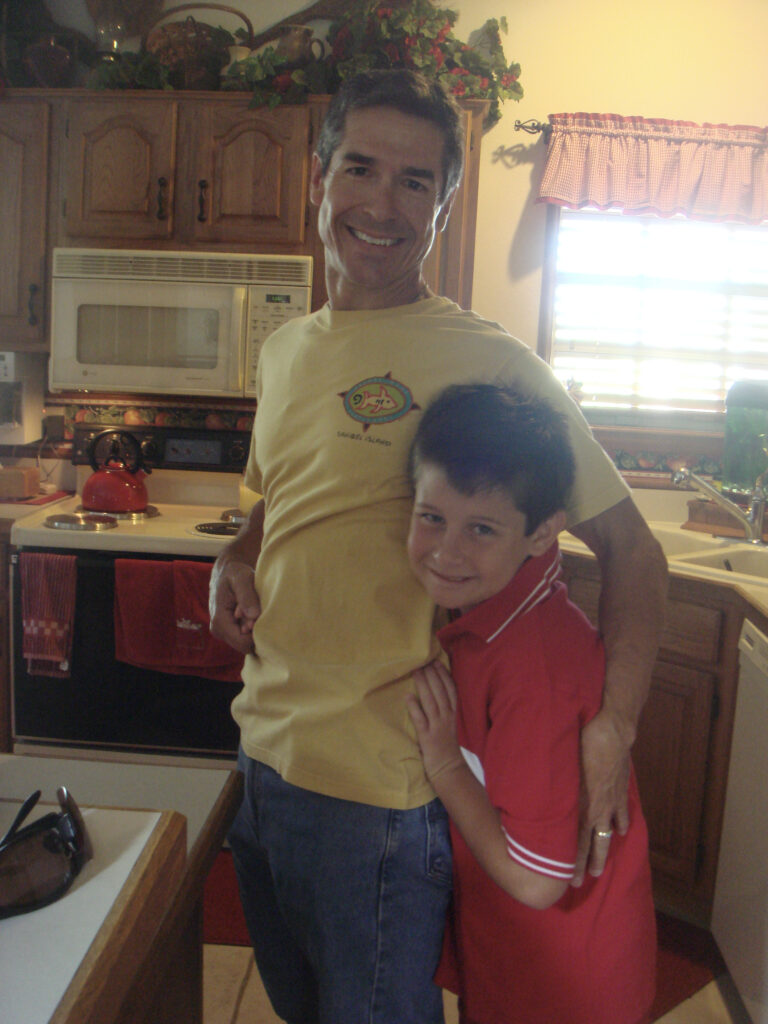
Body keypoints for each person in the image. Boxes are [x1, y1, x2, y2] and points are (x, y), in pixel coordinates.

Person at [209, 68, 667, 1024]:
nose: (382, 203)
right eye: (361, 169)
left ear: (445, 205)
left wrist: (613, 727)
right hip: (261, 763)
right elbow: (272, 498)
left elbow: (633, 549)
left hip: (383, 799)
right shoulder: (287, 351)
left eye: (416, 182)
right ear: (317, 176)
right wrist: (237, 555)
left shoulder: (494, 364)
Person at [405, 383, 656, 1024]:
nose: (446, 550)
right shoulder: (503, 616)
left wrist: (444, 765)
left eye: (481, 528)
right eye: (431, 516)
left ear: (543, 533)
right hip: (544, 963)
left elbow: (537, 881)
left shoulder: (533, 671)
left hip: (560, 986)